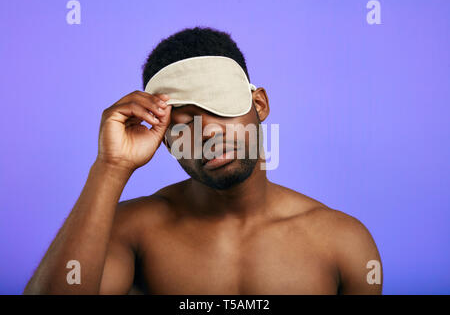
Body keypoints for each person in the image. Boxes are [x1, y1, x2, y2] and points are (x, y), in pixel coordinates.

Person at [24, 26, 382, 295]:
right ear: (164, 140)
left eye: (219, 108)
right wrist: (110, 167)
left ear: (258, 105)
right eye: (184, 122)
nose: (207, 132)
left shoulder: (342, 241)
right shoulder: (132, 231)